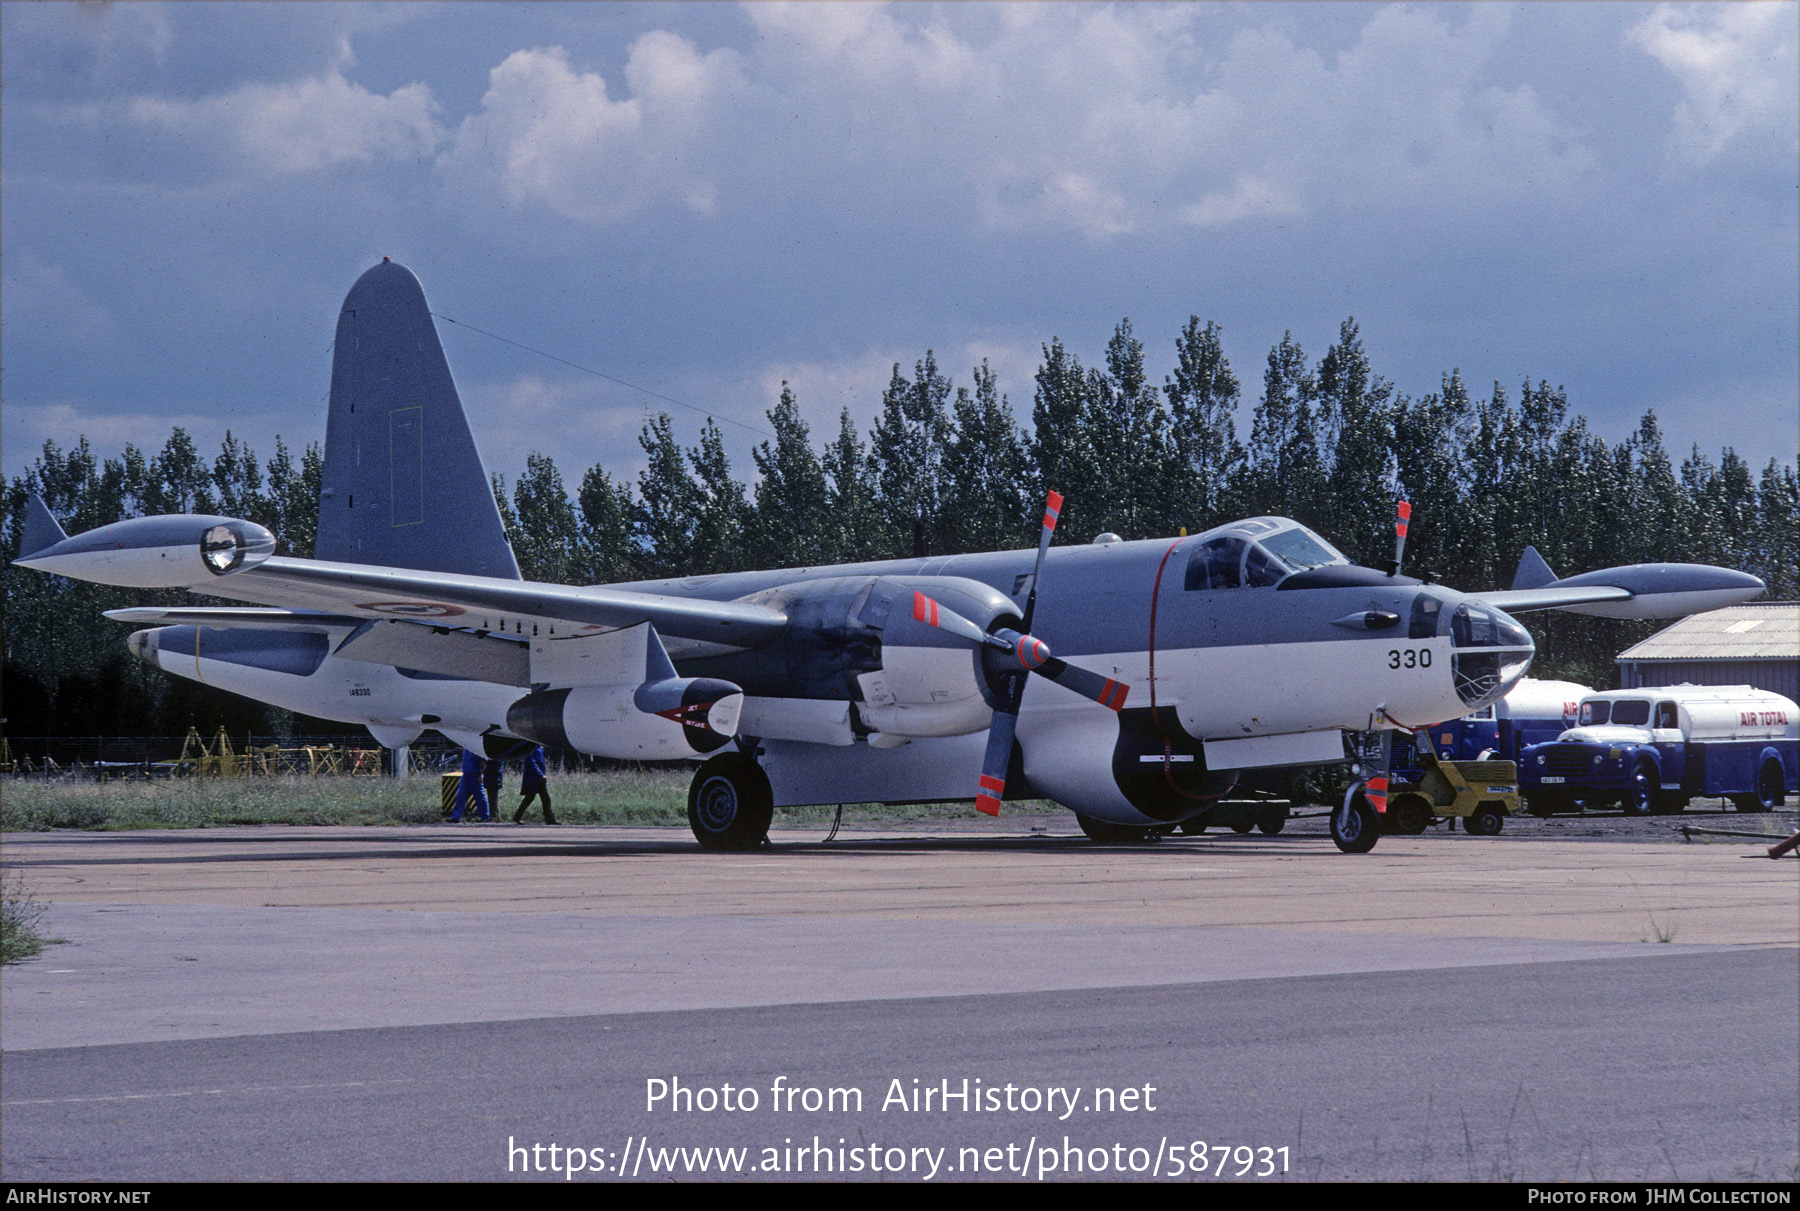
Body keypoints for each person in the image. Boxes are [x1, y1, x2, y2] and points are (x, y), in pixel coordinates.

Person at [513, 745, 556, 824]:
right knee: (530, 798)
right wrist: (540, 774)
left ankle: (550, 819)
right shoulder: (531, 748)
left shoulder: (540, 748)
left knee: (545, 799)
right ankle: (517, 817)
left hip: (539, 778)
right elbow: (532, 763)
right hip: (533, 778)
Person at [451, 748, 492, 822]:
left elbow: (483, 761)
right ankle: (456, 817)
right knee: (460, 796)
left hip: (475, 774)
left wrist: (481, 774)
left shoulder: (477, 748)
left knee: (479, 796)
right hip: (466, 774)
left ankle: (485, 817)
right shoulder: (466, 747)